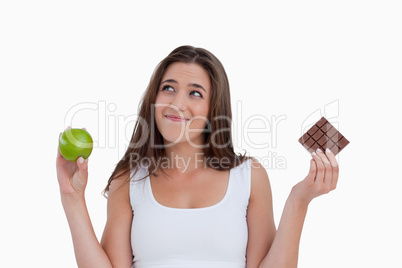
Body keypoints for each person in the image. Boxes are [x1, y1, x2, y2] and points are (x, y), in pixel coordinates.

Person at [56, 45, 339, 268]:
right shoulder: (129, 179)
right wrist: (72, 197)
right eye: (168, 88)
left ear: (213, 108)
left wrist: (299, 200)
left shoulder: (248, 176)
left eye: (195, 93)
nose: (178, 104)